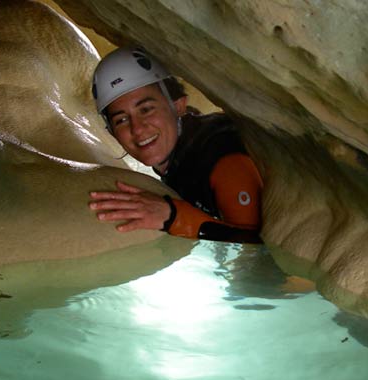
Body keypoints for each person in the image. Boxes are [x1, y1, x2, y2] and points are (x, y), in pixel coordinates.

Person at [88, 46, 263, 243]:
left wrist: (173, 217)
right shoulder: (178, 152)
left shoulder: (222, 156)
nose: (137, 129)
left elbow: (254, 248)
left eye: (146, 109)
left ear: (178, 106)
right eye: (121, 120)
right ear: (112, 133)